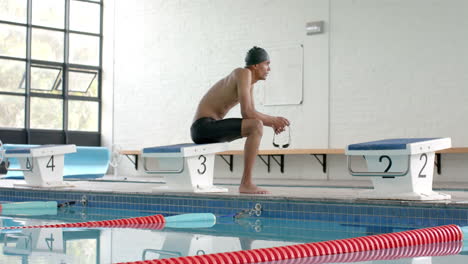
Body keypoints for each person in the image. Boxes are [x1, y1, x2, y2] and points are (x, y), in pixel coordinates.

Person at [190, 46, 290, 194]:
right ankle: (246, 183)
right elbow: (247, 113)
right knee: (256, 126)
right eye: (267, 64)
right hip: (203, 127)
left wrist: (272, 123)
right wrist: (273, 120)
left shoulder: (249, 83)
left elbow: (251, 113)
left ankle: (247, 182)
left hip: (209, 127)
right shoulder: (243, 73)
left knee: (256, 125)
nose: (269, 69)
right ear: (256, 65)